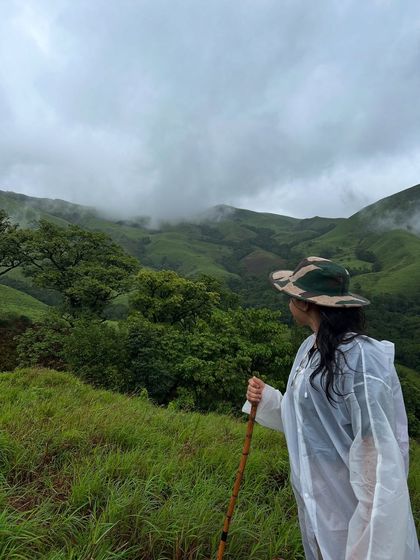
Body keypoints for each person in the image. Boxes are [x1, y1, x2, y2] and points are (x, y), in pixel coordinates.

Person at [243, 256, 419, 560]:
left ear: (307, 304)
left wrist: (371, 543)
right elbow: (308, 422)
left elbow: (378, 457)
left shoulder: (362, 361)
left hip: (355, 509)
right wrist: (268, 399)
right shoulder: (310, 349)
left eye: (292, 297)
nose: (288, 303)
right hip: (320, 502)